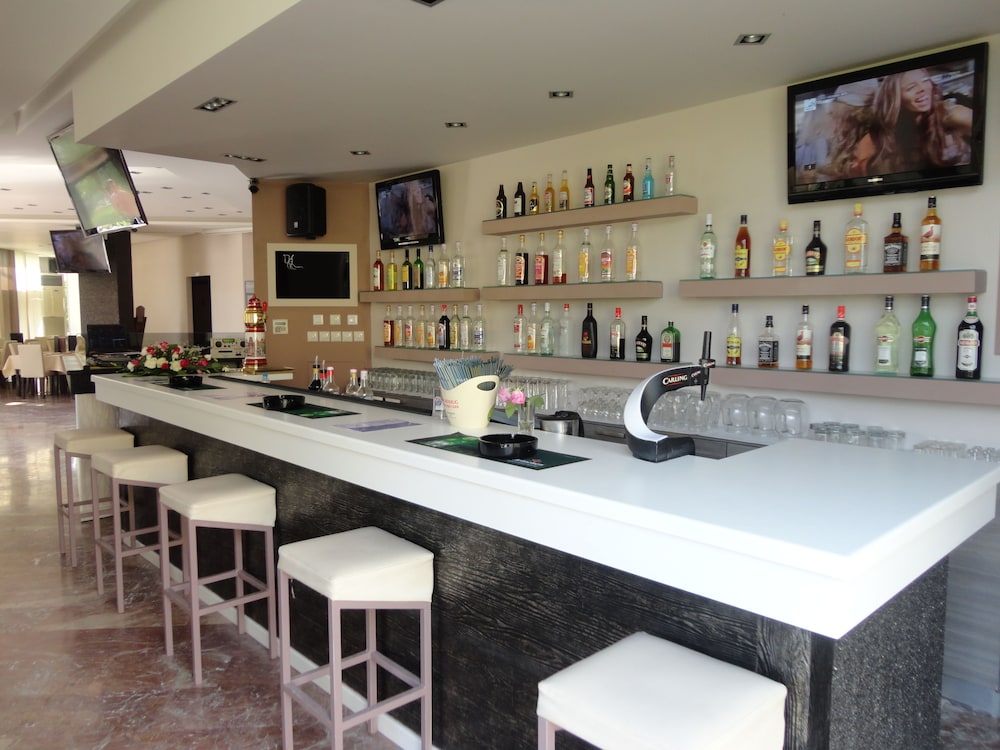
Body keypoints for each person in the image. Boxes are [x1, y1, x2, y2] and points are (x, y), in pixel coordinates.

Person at [873, 68, 973, 172]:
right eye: (911, 87)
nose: (922, 89)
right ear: (897, 99)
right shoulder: (895, 128)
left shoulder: (953, 114)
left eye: (925, 80)